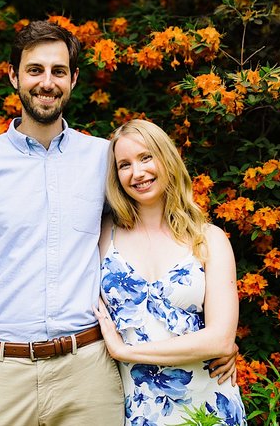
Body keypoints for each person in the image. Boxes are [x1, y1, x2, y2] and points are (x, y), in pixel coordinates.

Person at [0, 20, 124, 425]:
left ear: (73, 79)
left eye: (58, 71)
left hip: (88, 372)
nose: (46, 82)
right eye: (35, 70)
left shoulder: (104, 158)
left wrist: (212, 332)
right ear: (13, 75)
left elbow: (150, 236)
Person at [95, 119, 245, 425]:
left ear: (166, 159)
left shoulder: (208, 238)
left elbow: (220, 339)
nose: (137, 173)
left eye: (146, 157)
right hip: (137, 409)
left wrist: (126, 352)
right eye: (124, 164)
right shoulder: (101, 236)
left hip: (208, 405)